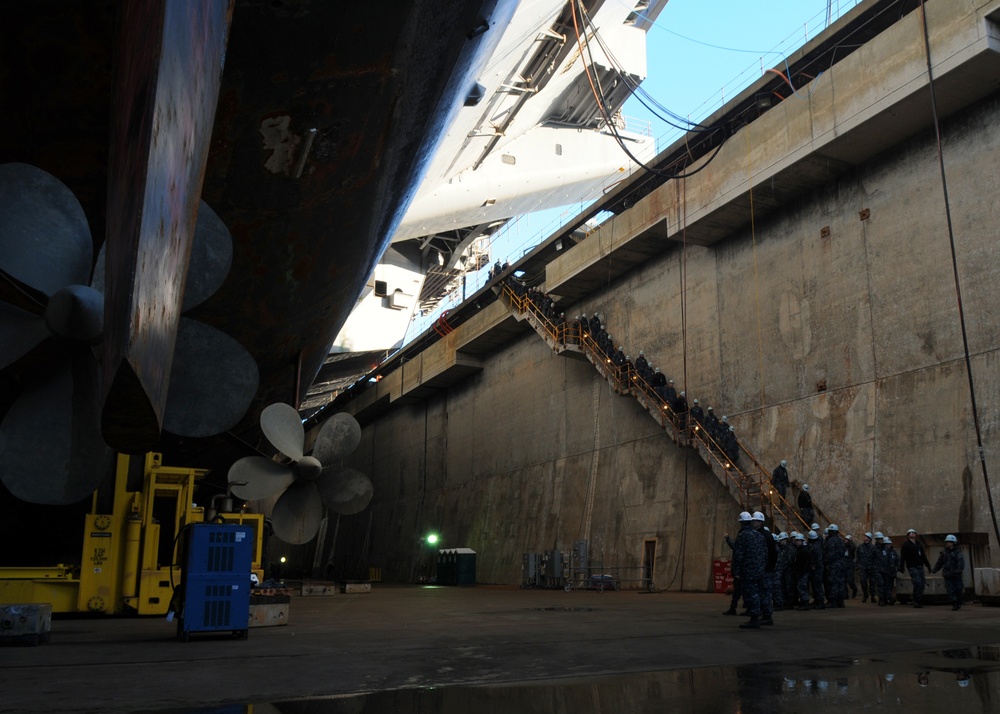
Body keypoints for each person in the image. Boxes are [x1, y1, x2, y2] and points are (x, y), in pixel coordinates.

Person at [731, 511, 768, 629]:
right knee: (758, 592)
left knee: (751, 594)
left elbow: (738, 554)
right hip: (759, 570)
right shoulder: (759, 535)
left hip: (748, 571)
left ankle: (754, 618)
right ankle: (757, 615)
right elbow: (765, 553)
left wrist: (736, 571)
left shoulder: (743, 536)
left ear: (741, 523)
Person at [931, 534, 966, 610]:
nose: (947, 543)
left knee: (959, 588)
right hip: (948, 575)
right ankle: (954, 603)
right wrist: (934, 570)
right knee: (950, 590)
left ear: (953, 543)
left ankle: (958, 601)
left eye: (949, 542)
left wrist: (958, 570)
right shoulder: (944, 553)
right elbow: (939, 562)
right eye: (946, 542)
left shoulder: (958, 553)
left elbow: (961, 563)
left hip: (956, 575)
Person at [900, 528, 932, 608]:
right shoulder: (906, 545)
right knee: (917, 583)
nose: (912, 534)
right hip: (912, 566)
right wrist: (901, 566)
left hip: (919, 566)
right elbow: (903, 557)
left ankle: (919, 600)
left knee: (922, 583)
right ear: (908, 536)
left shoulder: (918, 544)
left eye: (913, 532)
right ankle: (915, 600)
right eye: (910, 533)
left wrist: (928, 565)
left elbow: (923, 556)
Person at [822, 524, 846, 608]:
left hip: (833, 565)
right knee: (840, 583)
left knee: (833, 583)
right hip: (841, 564)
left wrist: (826, 562)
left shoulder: (831, 541)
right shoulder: (840, 540)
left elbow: (830, 554)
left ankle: (833, 601)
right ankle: (841, 601)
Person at [876, 536, 900, 606]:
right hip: (884, 571)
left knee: (890, 586)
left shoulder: (893, 552)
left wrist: (898, 567)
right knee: (882, 585)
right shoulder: (881, 551)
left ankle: (888, 598)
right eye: (887, 544)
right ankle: (883, 598)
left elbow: (898, 560)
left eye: (890, 544)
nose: (889, 545)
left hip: (891, 572)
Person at [857, 532, 878, 603]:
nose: (864, 537)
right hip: (863, 567)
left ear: (869, 538)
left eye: (866, 536)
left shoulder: (873, 547)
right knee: (863, 581)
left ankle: (872, 596)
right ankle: (865, 595)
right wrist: (857, 565)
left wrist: (875, 566)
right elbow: (858, 557)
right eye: (864, 536)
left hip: (871, 568)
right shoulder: (860, 547)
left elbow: (876, 558)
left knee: (872, 583)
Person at [843, 533, 858, 599]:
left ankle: (854, 589)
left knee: (850, 580)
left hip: (850, 565)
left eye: (847, 540)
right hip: (844, 565)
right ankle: (845, 594)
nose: (845, 541)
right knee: (844, 581)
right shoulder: (843, 546)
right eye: (845, 539)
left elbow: (853, 547)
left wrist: (850, 541)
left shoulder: (851, 547)